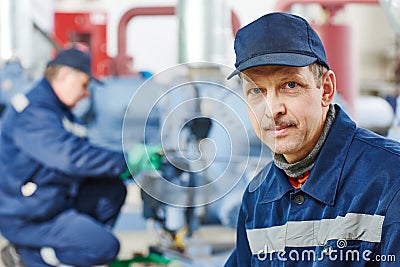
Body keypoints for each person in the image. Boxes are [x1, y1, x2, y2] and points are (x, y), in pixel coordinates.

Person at [224, 12, 400, 266]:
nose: (272, 109)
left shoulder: (390, 180)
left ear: (326, 90)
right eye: (256, 91)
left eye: (290, 85)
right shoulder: (258, 198)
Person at [0, 47, 162, 266]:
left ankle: (73, 250)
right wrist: (126, 160)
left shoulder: (56, 110)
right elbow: (70, 157)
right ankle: (27, 257)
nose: (87, 93)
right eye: (85, 84)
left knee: (110, 190)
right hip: (28, 216)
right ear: (65, 75)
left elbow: (82, 151)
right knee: (105, 247)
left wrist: (126, 168)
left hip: (50, 201)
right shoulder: (33, 113)